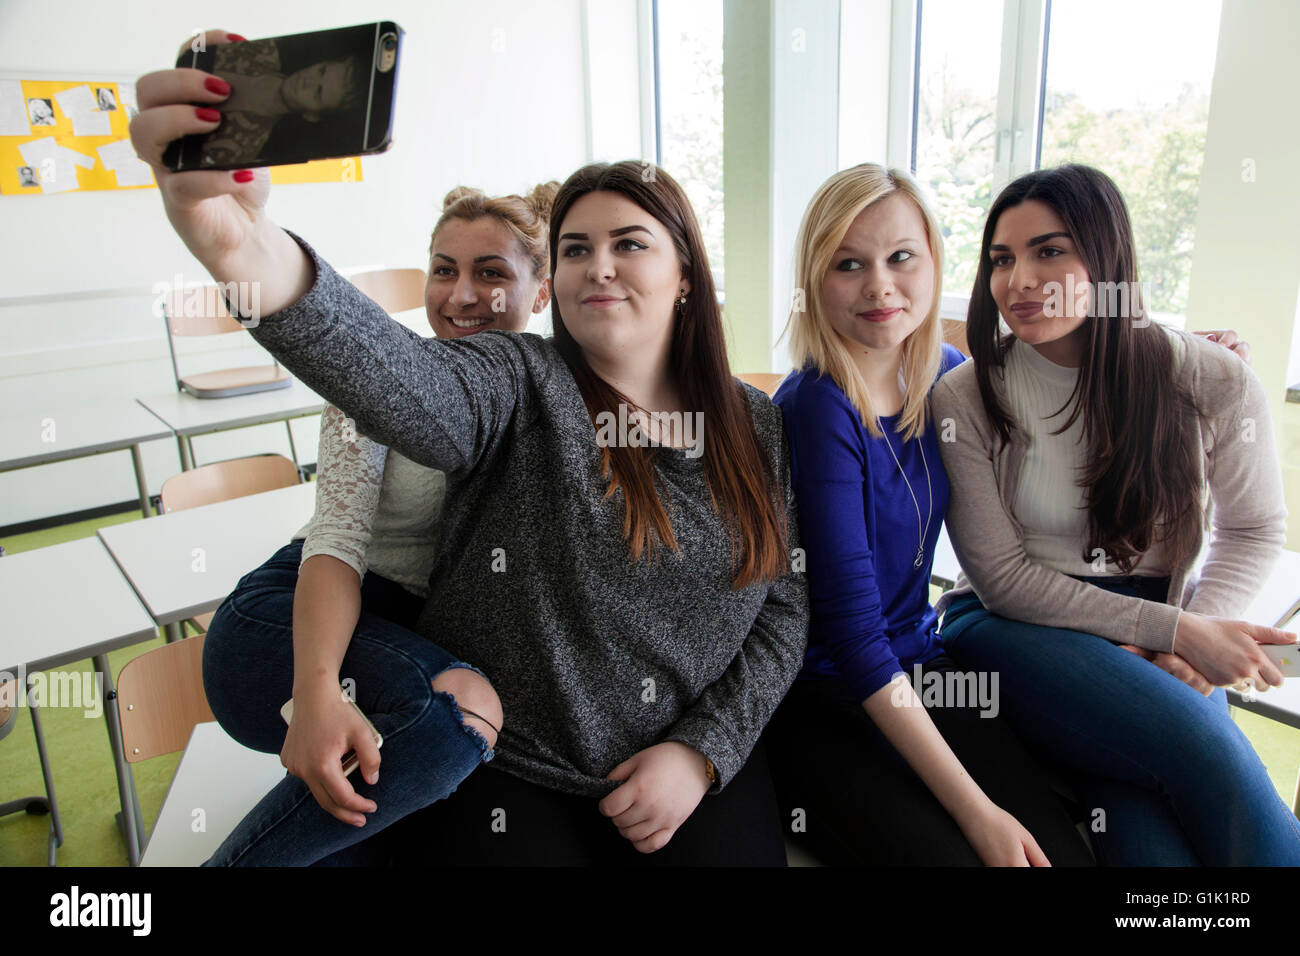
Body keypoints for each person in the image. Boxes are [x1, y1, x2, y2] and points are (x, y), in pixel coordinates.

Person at [130, 30, 808, 865]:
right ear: (552, 282)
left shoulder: (756, 423)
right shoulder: (517, 379)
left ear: (685, 276)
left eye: (629, 243)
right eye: (573, 249)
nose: (598, 266)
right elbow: (397, 382)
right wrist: (237, 245)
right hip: (514, 766)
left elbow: (783, 609)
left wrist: (703, 752)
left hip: (684, 769)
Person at [932, 163, 1300, 865]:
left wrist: (1188, 637)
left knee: (1147, 842)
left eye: (1049, 250)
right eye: (1001, 259)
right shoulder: (966, 396)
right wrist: (1181, 632)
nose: (1018, 281)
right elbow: (1004, 577)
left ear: (1107, 257)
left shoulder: (1211, 377)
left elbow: (1252, 528)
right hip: (1013, 628)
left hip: (1163, 629)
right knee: (1203, 750)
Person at [196, 182, 554, 867]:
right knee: (464, 716)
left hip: (407, 645)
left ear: (540, 293)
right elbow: (334, 547)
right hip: (295, 623)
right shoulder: (383, 380)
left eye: (492, 273)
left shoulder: (551, 397)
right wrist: (317, 689)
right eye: (443, 269)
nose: (460, 294)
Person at [762, 163, 1094, 866]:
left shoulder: (948, 374)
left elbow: (1068, 362)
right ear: (815, 282)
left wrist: (1184, 352)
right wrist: (977, 814)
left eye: (900, 257)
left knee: (1062, 852)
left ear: (934, 261)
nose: (880, 287)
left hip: (925, 665)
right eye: (848, 265)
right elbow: (852, 639)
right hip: (825, 694)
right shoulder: (817, 406)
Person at [201, 39, 364, 167]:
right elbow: (197, 46)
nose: (309, 81)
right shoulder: (260, 49)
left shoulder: (243, 147)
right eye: (321, 71)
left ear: (312, 115)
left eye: (318, 92)